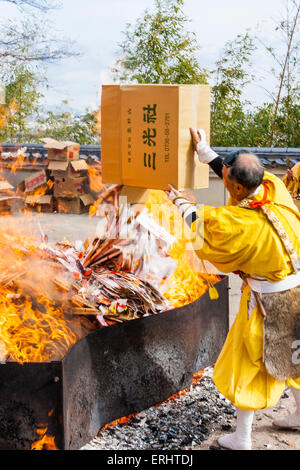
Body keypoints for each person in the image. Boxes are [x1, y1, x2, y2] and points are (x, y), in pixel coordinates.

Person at [166, 128, 300, 450]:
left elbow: (204, 227)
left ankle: (242, 438)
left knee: (247, 363)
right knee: (294, 356)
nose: (224, 180)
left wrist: (179, 203)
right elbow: (239, 178)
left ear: (237, 187)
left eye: (226, 178)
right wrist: (206, 153)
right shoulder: (274, 187)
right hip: (297, 290)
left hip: (269, 301)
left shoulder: (242, 224)